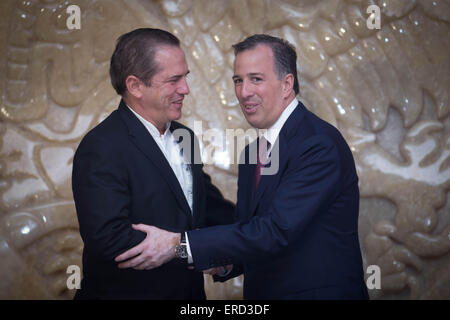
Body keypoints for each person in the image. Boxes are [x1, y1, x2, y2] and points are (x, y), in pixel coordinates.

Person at [115, 34, 369, 300]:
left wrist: (176, 245)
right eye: (238, 80)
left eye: (256, 79)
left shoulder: (318, 145)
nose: (243, 92)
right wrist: (227, 261)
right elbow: (253, 232)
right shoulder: (252, 154)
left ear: (287, 85)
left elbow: (274, 231)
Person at [72, 28, 234, 299]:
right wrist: (188, 248)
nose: (185, 89)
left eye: (185, 77)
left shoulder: (185, 138)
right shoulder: (102, 146)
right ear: (135, 86)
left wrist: (260, 234)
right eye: (173, 80)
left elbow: (208, 211)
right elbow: (110, 240)